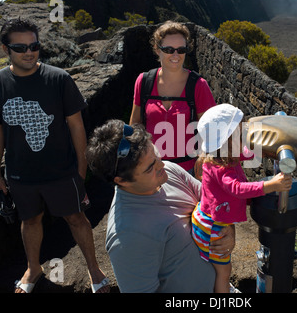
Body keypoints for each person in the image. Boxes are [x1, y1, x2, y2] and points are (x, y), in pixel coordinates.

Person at [0, 18, 109, 293]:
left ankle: (94, 270)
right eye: (20, 47)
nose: (29, 52)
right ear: (6, 49)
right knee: (30, 221)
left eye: (35, 45)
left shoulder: (58, 79)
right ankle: (33, 268)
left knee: (77, 218)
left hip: (63, 170)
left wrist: (81, 165)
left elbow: (76, 125)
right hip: (20, 174)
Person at [85, 119, 235, 292]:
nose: (162, 164)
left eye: (156, 155)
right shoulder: (127, 236)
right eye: (150, 167)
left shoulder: (168, 171)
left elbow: (215, 202)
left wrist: (229, 229)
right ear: (122, 181)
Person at [192, 104, 293, 293]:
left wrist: (267, 149)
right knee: (224, 271)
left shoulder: (221, 154)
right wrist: (272, 185)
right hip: (213, 227)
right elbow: (238, 189)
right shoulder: (220, 168)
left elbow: (247, 153)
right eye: (240, 133)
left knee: (215, 266)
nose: (245, 135)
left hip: (206, 217)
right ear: (228, 141)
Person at [129, 20, 216, 176]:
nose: (175, 55)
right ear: (157, 49)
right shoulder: (143, 82)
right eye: (169, 49)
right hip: (150, 172)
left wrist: (203, 163)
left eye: (181, 49)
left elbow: (211, 131)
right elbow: (135, 125)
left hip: (188, 173)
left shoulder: (198, 86)